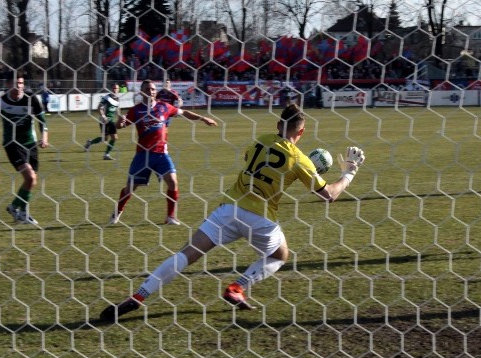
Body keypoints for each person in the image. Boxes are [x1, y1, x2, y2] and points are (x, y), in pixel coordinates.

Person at [99, 104, 366, 322]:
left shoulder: (260, 140)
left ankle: (139, 295)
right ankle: (238, 287)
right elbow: (328, 195)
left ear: (277, 126)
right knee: (280, 254)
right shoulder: (300, 160)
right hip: (260, 219)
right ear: (303, 131)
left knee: (185, 255)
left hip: (228, 210)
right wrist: (349, 173)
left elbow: (256, 161)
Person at [110, 79, 217, 226]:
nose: (151, 91)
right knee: (130, 188)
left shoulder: (164, 107)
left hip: (161, 154)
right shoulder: (136, 110)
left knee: (173, 182)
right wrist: (119, 123)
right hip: (143, 155)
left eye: (153, 89)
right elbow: (120, 125)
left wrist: (202, 118)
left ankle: (170, 217)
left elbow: (183, 112)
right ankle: (117, 213)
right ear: (141, 92)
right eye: (147, 89)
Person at [0, 74, 50, 225]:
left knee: (31, 181)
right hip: (11, 144)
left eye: (21, 83)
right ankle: (20, 211)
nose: (19, 86)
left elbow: (42, 121)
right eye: (15, 83)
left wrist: (44, 137)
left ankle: (17, 209)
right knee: (30, 177)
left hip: (30, 143)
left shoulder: (31, 99)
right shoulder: (0, 102)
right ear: (7, 83)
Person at [84, 83, 121, 160]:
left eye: (116, 88)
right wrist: (103, 116)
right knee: (105, 139)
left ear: (118, 89)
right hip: (103, 120)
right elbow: (99, 107)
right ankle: (90, 143)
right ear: (111, 89)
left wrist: (120, 117)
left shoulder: (117, 99)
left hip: (111, 121)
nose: (115, 90)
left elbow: (117, 110)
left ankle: (106, 155)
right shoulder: (106, 98)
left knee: (114, 137)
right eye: (114, 88)